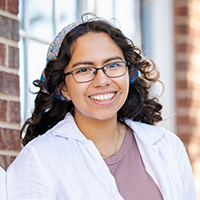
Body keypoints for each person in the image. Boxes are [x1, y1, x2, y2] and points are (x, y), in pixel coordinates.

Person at [7, 14, 196, 200]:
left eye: (113, 65)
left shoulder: (168, 146)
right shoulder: (38, 161)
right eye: (83, 70)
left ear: (128, 73)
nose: (102, 80)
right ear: (63, 88)